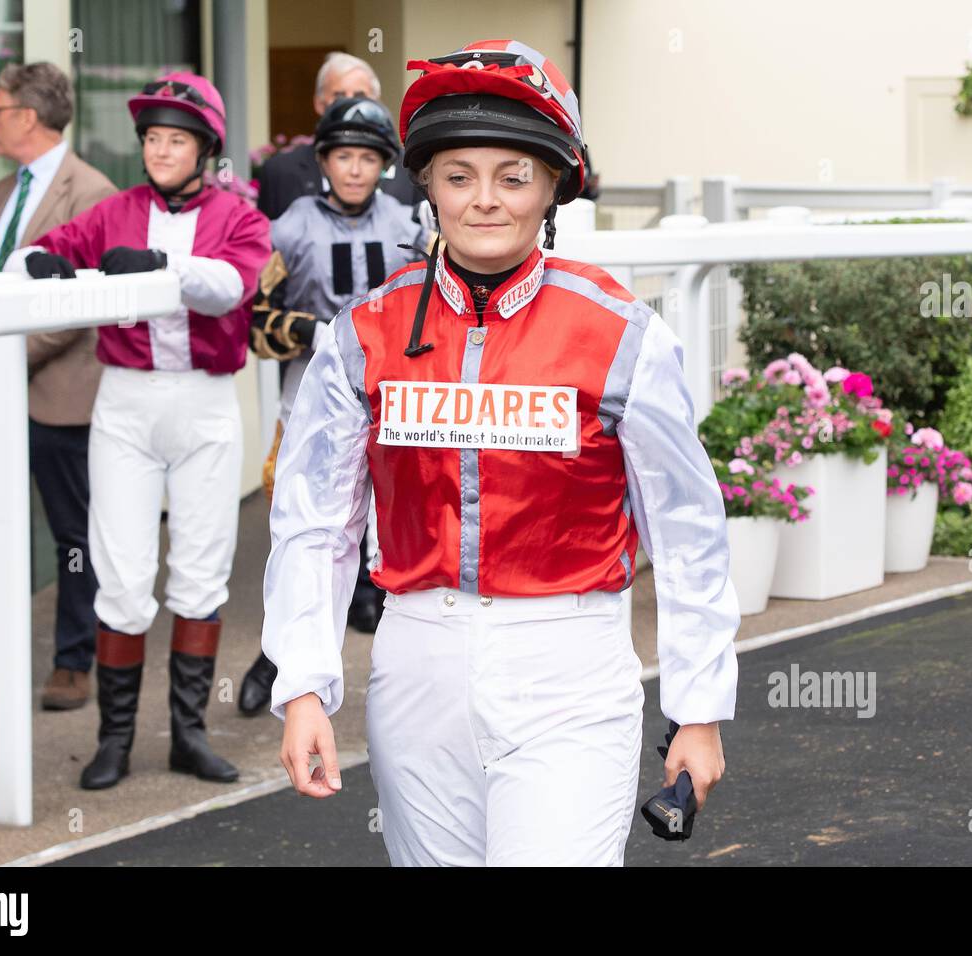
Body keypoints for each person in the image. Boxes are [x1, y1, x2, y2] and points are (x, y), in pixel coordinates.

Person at [262, 39, 741, 866]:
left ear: (553, 186)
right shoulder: (362, 335)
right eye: (458, 176)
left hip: (570, 670)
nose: (485, 201)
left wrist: (698, 705)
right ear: (428, 188)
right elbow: (314, 523)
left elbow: (688, 528)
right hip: (416, 666)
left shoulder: (623, 334)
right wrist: (303, 682)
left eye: (513, 177)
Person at [6, 72, 270, 789]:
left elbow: (230, 286)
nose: (159, 150)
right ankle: (114, 741)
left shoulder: (240, 217)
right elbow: (20, 260)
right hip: (124, 402)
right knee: (120, 573)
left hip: (206, 403)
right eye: (152, 138)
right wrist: (50, 266)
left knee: (202, 569)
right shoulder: (115, 210)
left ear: (204, 148)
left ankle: (188, 735)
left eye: (175, 139)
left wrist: (162, 266)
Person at [237, 96, 431, 716]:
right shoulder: (290, 226)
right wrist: (315, 332)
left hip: (394, 405)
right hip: (311, 403)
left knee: (396, 528)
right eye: (344, 157)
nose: (354, 170)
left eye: (367, 159)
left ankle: (399, 683)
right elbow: (256, 325)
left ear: (383, 167)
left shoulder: (410, 227)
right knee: (301, 527)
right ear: (324, 161)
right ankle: (277, 658)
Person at [0, 61, 118, 708]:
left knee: (72, 533)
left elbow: (77, 307)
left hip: (58, 392)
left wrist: (1, 350)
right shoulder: (4, 190)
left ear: (27, 115)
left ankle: (74, 661)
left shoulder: (93, 192)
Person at [256, 52, 421, 221]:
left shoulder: (409, 167)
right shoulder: (280, 171)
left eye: (360, 96)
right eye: (339, 96)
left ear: (376, 102)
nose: (349, 105)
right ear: (319, 104)